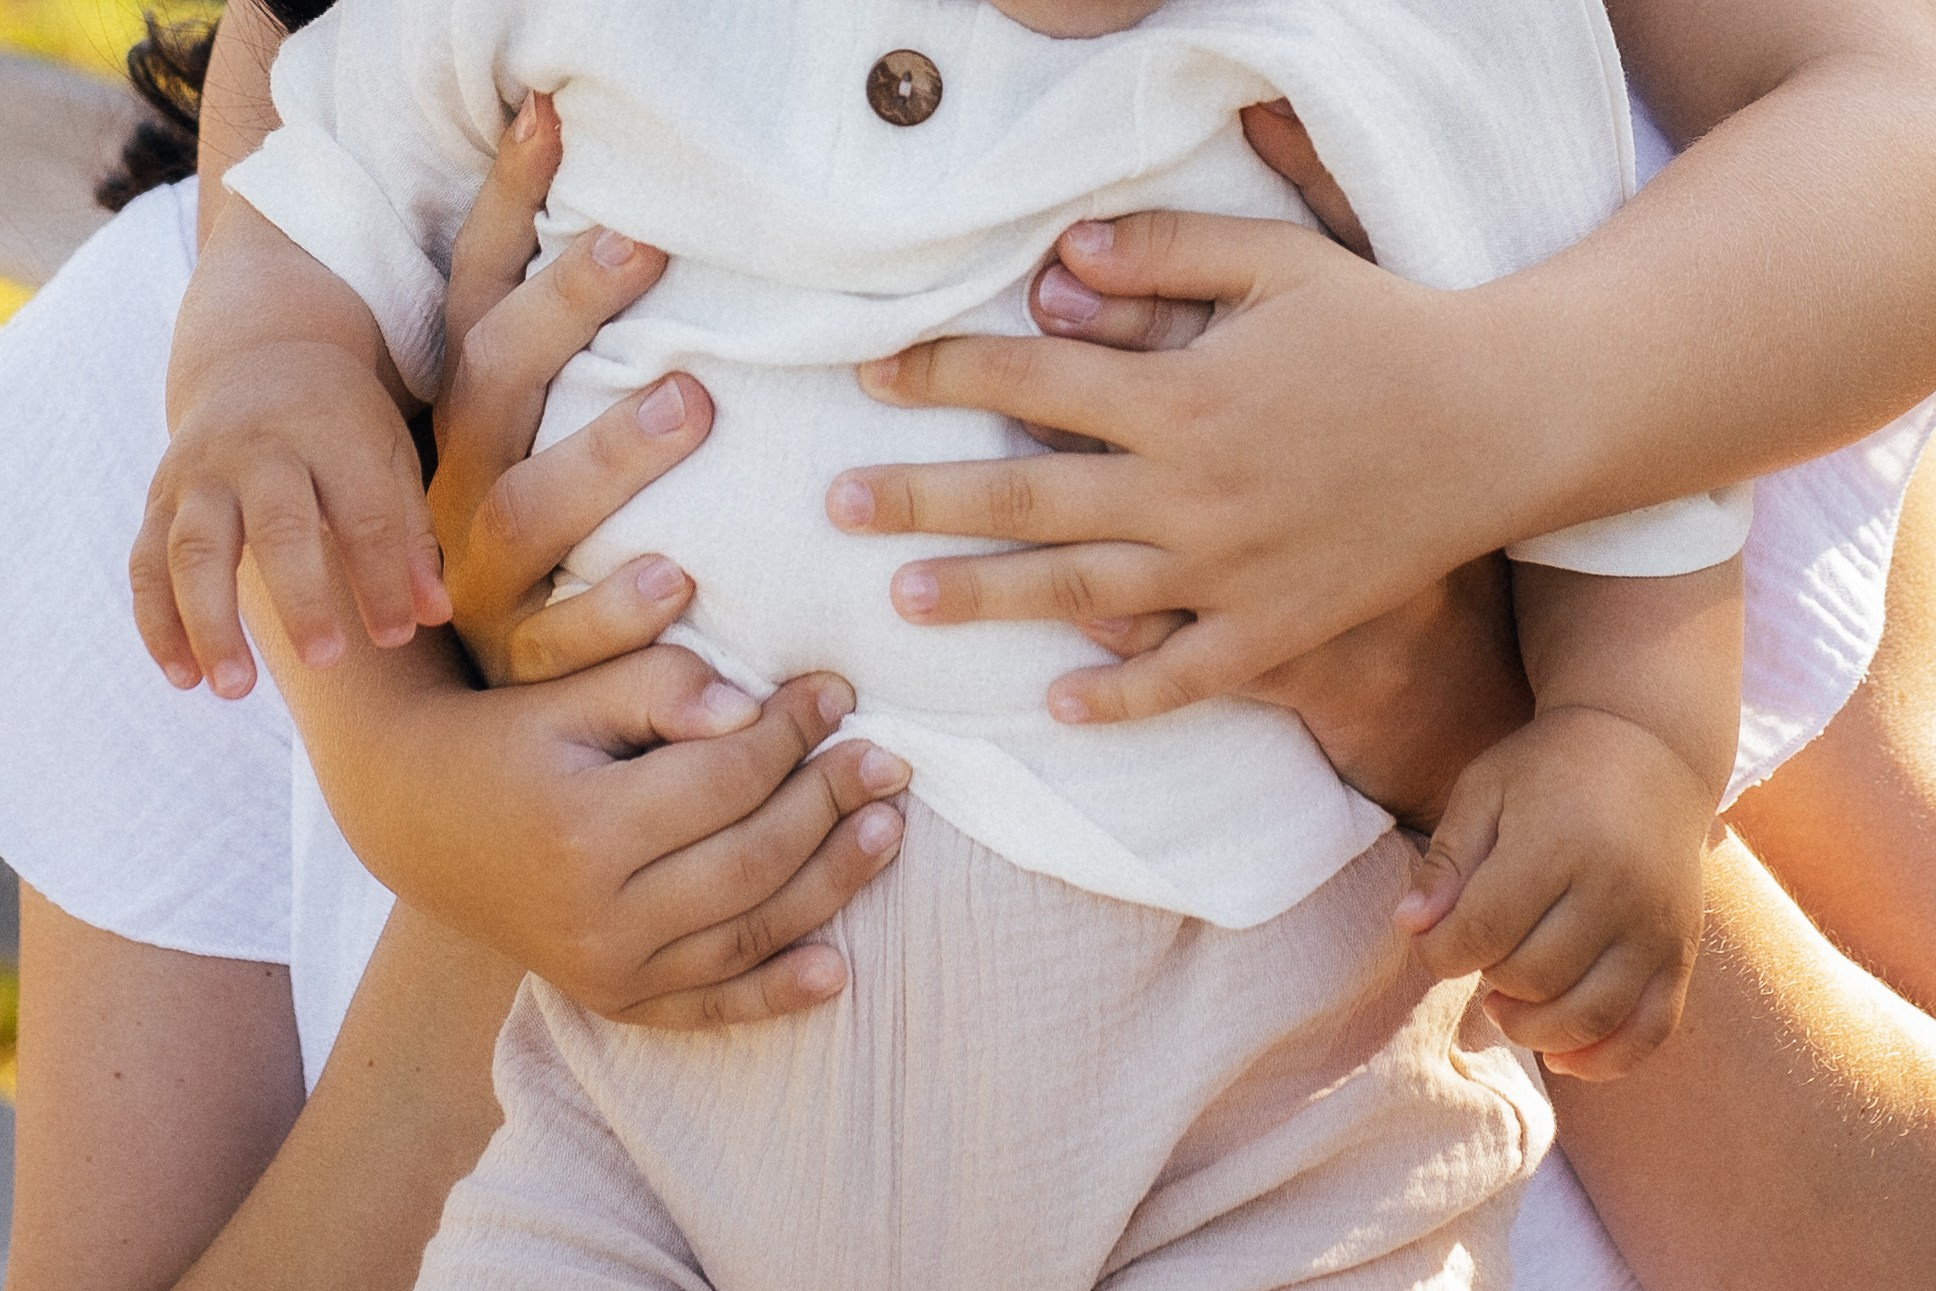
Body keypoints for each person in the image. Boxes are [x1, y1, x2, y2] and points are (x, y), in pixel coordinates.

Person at [3, 0, 1935, 1287]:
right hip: (624, 1130)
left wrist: (1537, 715)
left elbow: (1654, 486)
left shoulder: (1554, 150)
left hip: (1259, 1112)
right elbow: (316, 181)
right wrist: (432, 806)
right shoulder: (226, 371)